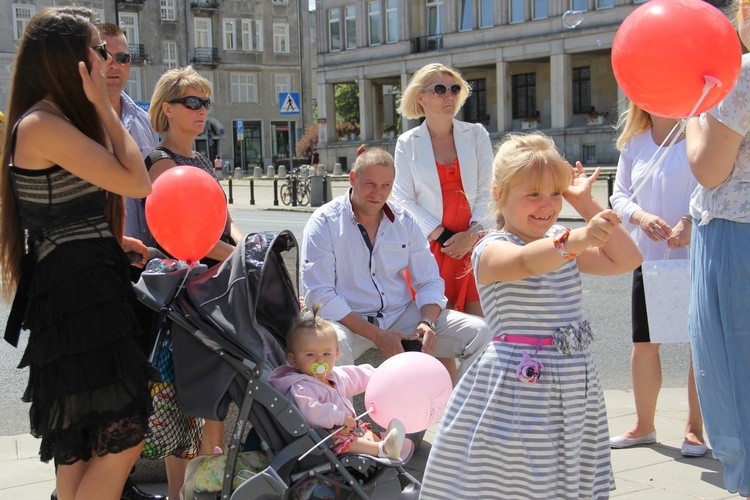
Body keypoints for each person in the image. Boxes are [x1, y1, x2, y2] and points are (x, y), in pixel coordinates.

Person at [420, 133, 642, 499]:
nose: (547, 205)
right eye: (533, 194)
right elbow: (526, 262)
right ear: (499, 194)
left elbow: (627, 259)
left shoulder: (562, 239)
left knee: (564, 472)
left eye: (555, 193)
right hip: (521, 386)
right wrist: (577, 239)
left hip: (572, 383)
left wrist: (585, 204)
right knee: (518, 475)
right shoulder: (491, 248)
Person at [0, 7, 154, 499]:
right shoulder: (43, 123)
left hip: (79, 284)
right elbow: (137, 180)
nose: (108, 59)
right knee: (123, 438)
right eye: (98, 49)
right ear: (71, 58)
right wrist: (107, 106)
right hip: (77, 295)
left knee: (83, 444)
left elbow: (61, 210)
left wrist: (110, 240)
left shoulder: (50, 119)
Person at [300, 147, 490, 383]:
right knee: (327, 350)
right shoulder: (324, 222)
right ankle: (343, 419)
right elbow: (320, 296)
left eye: (386, 186)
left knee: (482, 333)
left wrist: (427, 321)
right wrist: (379, 336)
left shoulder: (405, 220)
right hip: (347, 322)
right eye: (370, 183)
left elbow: (429, 281)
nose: (377, 194)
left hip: (401, 315)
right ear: (352, 178)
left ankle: (461, 414)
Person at [147, 66, 242, 499]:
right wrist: (242, 258)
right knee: (184, 401)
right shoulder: (160, 162)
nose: (202, 110)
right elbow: (192, 238)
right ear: (167, 107)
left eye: (206, 103)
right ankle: (177, 494)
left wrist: (246, 246)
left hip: (214, 288)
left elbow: (223, 223)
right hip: (184, 294)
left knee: (215, 393)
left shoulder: (201, 160)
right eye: (192, 102)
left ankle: (205, 487)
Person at [609, 103, 705, 457]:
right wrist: (642, 216)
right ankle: (644, 425)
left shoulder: (699, 128)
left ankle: (694, 430)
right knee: (645, 344)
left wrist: (688, 221)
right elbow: (618, 195)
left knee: (701, 344)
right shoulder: (634, 142)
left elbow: (714, 183)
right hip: (649, 260)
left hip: (698, 256)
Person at [684, 1, 750, 496]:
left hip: (734, 235)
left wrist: (692, 110)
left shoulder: (743, 74)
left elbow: (709, 170)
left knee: (731, 377)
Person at [393, 63, 493, 317]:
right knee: (440, 330)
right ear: (421, 98)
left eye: (454, 89)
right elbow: (402, 199)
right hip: (433, 247)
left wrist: (472, 235)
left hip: (475, 242)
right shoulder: (407, 143)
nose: (449, 95)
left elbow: (489, 189)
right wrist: (445, 237)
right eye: (440, 89)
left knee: (480, 328)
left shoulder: (477, 134)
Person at [268, 311, 405, 460]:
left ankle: (383, 445)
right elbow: (313, 412)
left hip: (346, 427)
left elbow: (356, 376)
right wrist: (340, 417)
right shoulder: (301, 387)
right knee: (342, 439)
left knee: (362, 430)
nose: (320, 360)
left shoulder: (333, 376)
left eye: (327, 354)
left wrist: (381, 374)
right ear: (293, 360)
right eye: (310, 355)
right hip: (323, 438)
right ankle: (383, 448)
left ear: (336, 354)